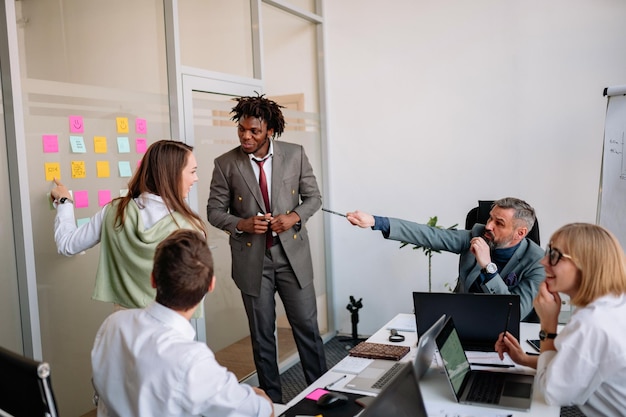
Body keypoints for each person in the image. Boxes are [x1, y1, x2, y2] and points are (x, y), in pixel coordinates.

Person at [207, 94, 326, 403]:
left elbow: (314, 198)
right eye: (242, 130)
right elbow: (214, 212)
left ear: (270, 130)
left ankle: (321, 397)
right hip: (253, 262)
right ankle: (271, 402)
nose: (246, 137)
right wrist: (243, 224)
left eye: (254, 132)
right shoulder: (225, 164)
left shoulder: (295, 154)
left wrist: (295, 216)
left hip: (292, 258)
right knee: (262, 336)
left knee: (308, 329)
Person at [91, 229, 275, 417]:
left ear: (153, 279)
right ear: (211, 285)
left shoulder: (113, 324)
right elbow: (261, 411)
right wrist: (258, 396)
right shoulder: (192, 361)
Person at [51, 139, 207, 310]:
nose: (196, 178)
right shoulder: (189, 227)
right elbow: (197, 288)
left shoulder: (115, 212)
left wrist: (64, 201)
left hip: (124, 324)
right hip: (168, 324)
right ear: (173, 174)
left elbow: (67, 245)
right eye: (192, 172)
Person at [495, 223, 626, 416]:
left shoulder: (592, 324)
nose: (543, 262)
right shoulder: (614, 304)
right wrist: (524, 359)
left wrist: (548, 322)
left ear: (586, 263)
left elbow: (553, 392)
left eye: (555, 255)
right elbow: (573, 367)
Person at [346, 197, 544, 320]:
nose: (489, 226)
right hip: (464, 316)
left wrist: (488, 267)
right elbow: (430, 235)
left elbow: (515, 311)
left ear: (520, 233)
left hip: (504, 330)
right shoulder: (476, 236)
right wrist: (376, 221)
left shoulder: (538, 263)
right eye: (490, 218)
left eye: (499, 223)